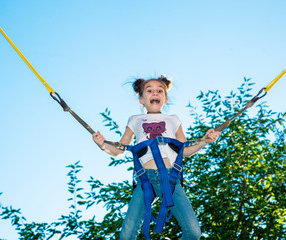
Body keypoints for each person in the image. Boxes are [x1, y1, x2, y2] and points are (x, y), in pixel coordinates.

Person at [93, 76, 220, 239]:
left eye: (160, 90)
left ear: (165, 99)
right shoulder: (135, 120)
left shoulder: (173, 120)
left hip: (169, 178)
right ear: (141, 99)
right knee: (126, 236)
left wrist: (205, 141)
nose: (155, 93)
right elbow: (120, 150)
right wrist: (103, 144)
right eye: (149, 90)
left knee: (194, 232)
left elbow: (185, 150)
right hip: (144, 180)